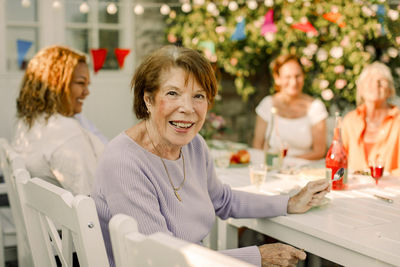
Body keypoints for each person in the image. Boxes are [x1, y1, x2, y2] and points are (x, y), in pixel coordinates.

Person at [91, 45, 330, 267]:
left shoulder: (194, 145)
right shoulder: (124, 162)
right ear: (148, 99)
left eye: (199, 96)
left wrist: (288, 202)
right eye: (173, 93)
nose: (188, 108)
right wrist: (257, 256)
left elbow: (222, 200)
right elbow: (160, 258)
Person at [13, 45, 104, 195]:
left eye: (87, 85)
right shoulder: (65, 131)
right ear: (56, 84)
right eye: (81, 83)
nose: (87, 92)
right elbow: (92, 198)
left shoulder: (29, 123)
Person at [253, 54, 328, 160]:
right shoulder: (267, 104)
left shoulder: (316, 107)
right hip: (272, 167)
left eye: (298, 76)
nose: (293, 82)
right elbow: (257, 145)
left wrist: (288, 162)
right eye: (288, 77)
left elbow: (319, 151)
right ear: (277, 78)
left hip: (304, 169)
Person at [342, 62, 400, 175]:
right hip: (356, 188)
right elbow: (339, 160)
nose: (375, 84)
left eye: (381, 81)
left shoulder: (398, 121)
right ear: (361, 89)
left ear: (390, 91)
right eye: (369, 80)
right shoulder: (350, 121)